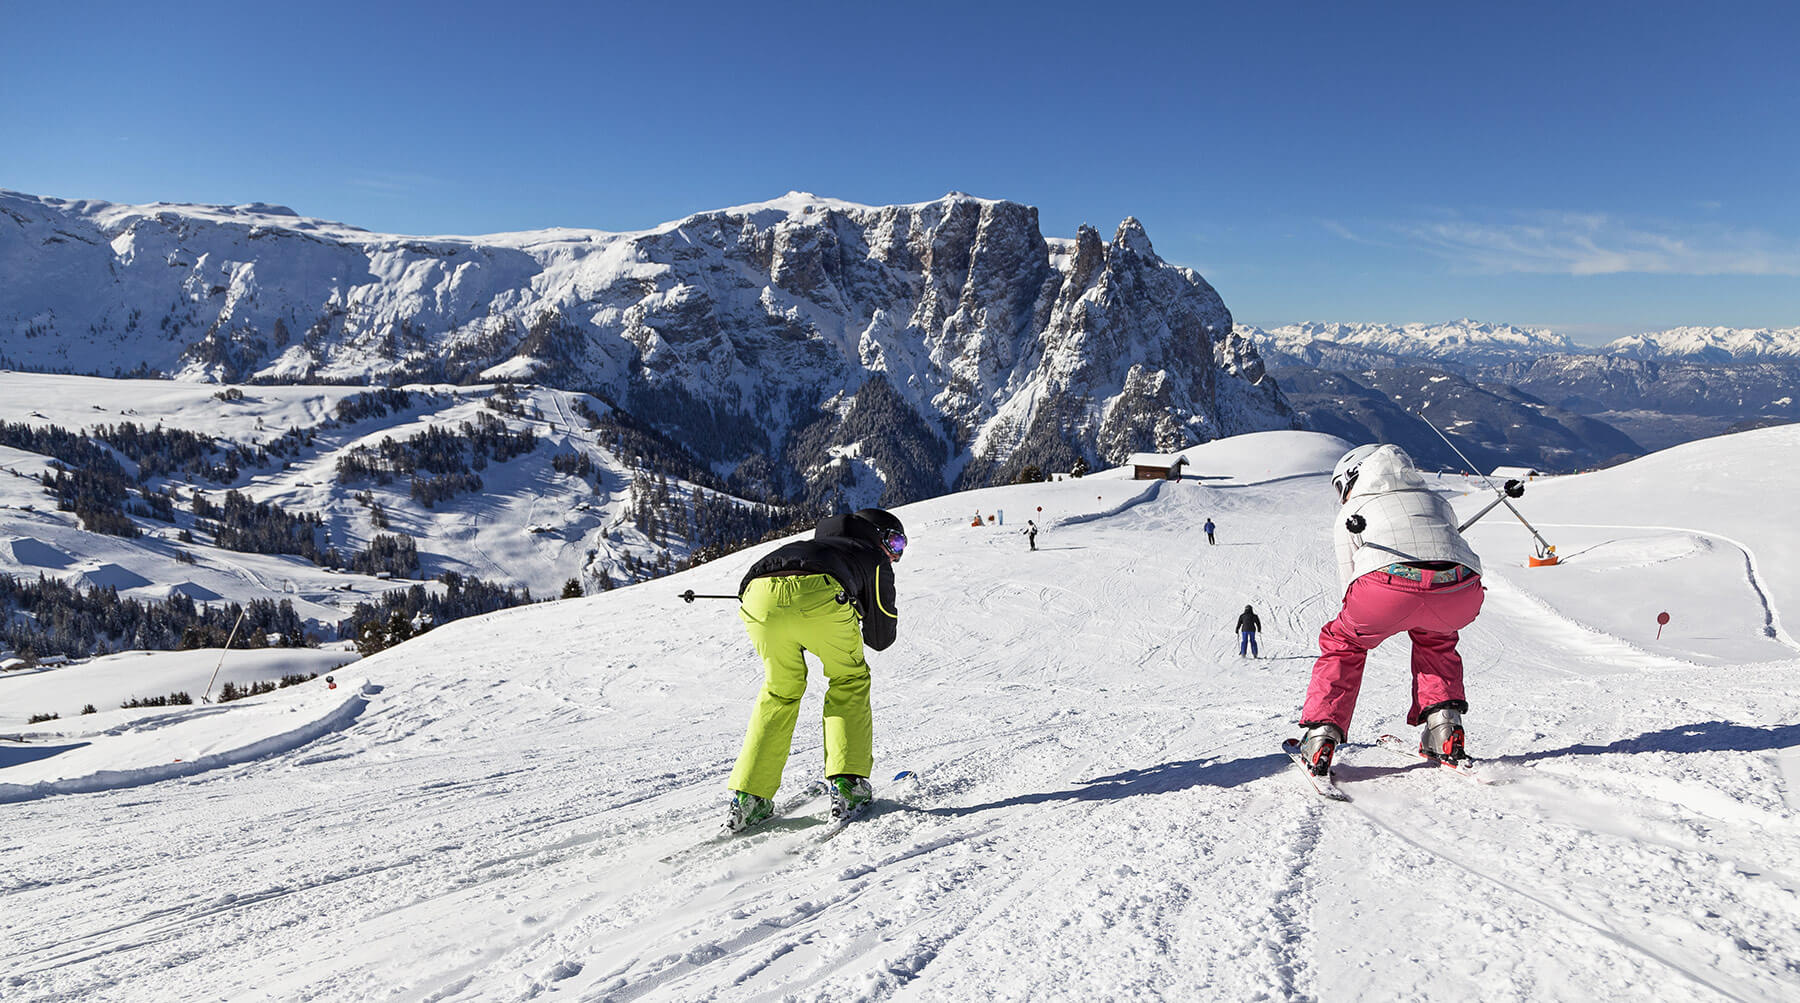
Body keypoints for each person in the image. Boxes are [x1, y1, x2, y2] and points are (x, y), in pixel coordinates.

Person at [1294, 444, 1487, 777]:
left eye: (1341, 487)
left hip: (1385, 589)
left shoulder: (1353, 509)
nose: (1342, 495)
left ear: (1353, 477)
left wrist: (1362, 621)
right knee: (1437, 637)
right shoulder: (1437, 500)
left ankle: (1321, 735)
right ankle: (1444, 728)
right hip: (1460, 590)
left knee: (1344, 643)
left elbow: (1349, 578)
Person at [726, 508, 904, 831]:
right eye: (895, 542)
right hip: (819, 593)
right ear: (878, 537)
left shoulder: (816, 545)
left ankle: (748, 797)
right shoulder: (874, 558)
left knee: (780, 689)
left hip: (756, 595)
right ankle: (848, 784)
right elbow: (881, 638)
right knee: (849, 679)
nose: (896, 554)